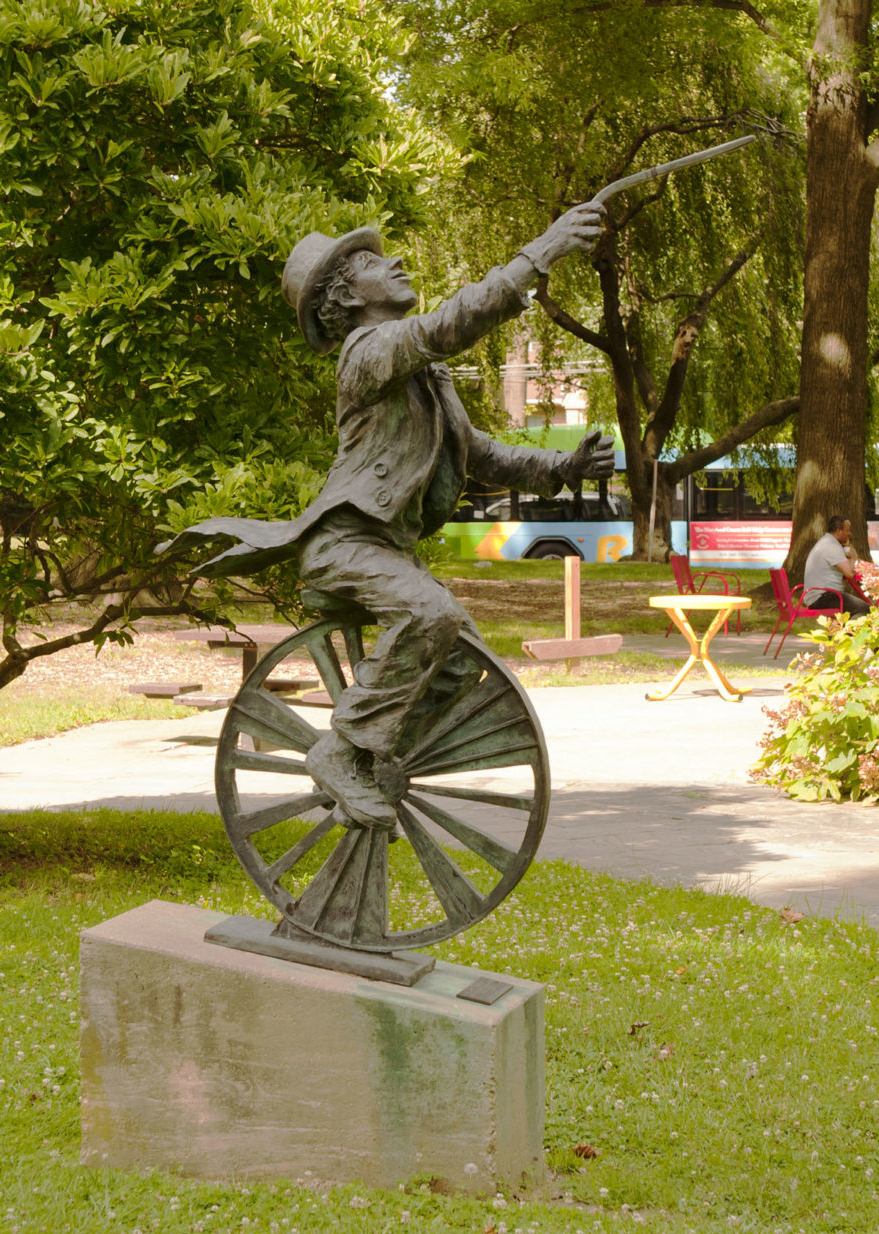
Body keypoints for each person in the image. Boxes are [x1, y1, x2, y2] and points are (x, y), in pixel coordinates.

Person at [163, 206, 614, 829]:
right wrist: (542, 251)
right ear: (345, 296)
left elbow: (480, 454)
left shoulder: (422, 374)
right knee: (430, 613)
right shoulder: (369, 351)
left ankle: (376, 756)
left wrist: (564, 468)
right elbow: (453, 323)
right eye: (372, 261)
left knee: (458, 663)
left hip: (386, 551)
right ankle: (343, 750)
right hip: (345, 546)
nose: (395, 261)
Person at [801, 515, 870, 617]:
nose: (849, 534)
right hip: (822, 597)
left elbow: (843, 574)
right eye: (847, 531)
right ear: (839, 531)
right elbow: (850, 573)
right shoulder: (832, 546)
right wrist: (853, 556)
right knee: (865, 609)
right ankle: (847, 633)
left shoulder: (826, 542)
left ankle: (842, 632)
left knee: (853, 606)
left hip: (816, 596)